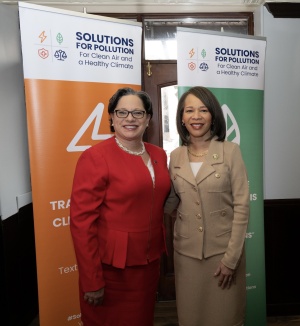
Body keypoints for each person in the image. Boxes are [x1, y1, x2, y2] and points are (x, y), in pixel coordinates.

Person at [70, 87, 171, 326]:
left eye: (138, 113)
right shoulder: (95, 157)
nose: (130, 118)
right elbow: (81, 224)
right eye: (122, 112)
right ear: (111, 118)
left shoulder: (159, 154)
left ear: (148, 118)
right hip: (111, 272)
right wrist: (92, 280)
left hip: (148, 266)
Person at [165, 86, 250, 326]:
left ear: (213, 115)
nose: (196, 116)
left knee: (225, 318)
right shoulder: (175, 157)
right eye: (189, 110)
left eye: (203, 110)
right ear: (181, 117)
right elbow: (171, 202)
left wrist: (231, 259)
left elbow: (242, 207)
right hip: (187, 257)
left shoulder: (230, 151)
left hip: (222, 255)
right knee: (191, 319)